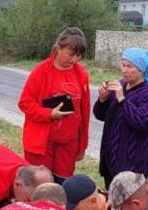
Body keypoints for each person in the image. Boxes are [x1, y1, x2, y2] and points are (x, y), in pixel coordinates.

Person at [17, 27, 92, 183]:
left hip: (68, 142)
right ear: (59, 48)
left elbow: (84, 112)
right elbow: (25, 103)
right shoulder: (41, 71)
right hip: (42, 142)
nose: (74, 60)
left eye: (79, 55)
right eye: (71, 54)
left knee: (62, 185)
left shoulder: (81, 74)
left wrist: (82, 144)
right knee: (40, 186)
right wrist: (48, 114)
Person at [93, 47, 148, 188]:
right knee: (110, 203)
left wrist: (122, 100)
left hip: (132, 164)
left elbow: (141, 122)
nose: (124, 70)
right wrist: (102, 99)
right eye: (123, 65)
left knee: (127, 206)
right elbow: (100, 115)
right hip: (110, 158)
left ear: (141, 69)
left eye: (130, 66)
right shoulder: (120, 85)